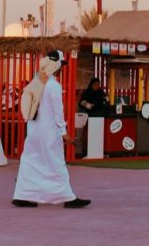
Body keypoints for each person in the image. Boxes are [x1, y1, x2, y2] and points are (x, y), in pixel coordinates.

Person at [13, 50, 90, 209]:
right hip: (49, 133)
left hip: (33, 131)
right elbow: (58, 112)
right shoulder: (53, 86)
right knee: (56, 163)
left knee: (30, 162)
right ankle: (68, 198)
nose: (62, 68)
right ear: (56, 65)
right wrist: (63, 132)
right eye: (61, 65)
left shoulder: (36, 82)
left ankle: (21, 195)